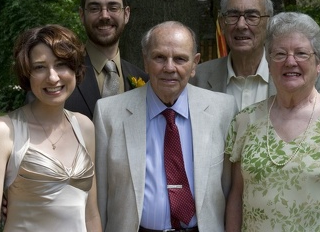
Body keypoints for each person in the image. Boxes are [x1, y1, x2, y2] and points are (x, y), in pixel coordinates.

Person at [225, 12, 320, 231]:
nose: (290, 61)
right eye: (280, 54)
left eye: (301, 53)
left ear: (318, 63)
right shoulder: (245, 120)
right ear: (269, 62)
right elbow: (235, 198)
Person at [94, 21, 238, 231]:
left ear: (195, 64)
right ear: (145, 60)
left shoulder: (223, 110)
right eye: (160, 57)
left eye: (180, 59)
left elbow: (230, 188)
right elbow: (100, 195)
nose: (169, 67)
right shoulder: (109, 113)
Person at [0, 25, 101, 232]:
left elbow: (91, 215)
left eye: (61, 64)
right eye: (39, 67)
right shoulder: (3, 132)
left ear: (75, 69)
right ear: (27, 74)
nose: (53, 77)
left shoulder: (85, 127)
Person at [190, 0, 320, 125]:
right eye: (233, 15)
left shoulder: (308, 79)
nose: (241, 25)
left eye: (252, 16)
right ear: (222, 22)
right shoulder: (197, 79)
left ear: (269, 22)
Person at [64, 0, 149, 119]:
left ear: (126, 14)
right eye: (94, 8)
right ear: (82, 15)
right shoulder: (60, 75)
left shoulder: (145, 81)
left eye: (113, 8)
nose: (104, 16)